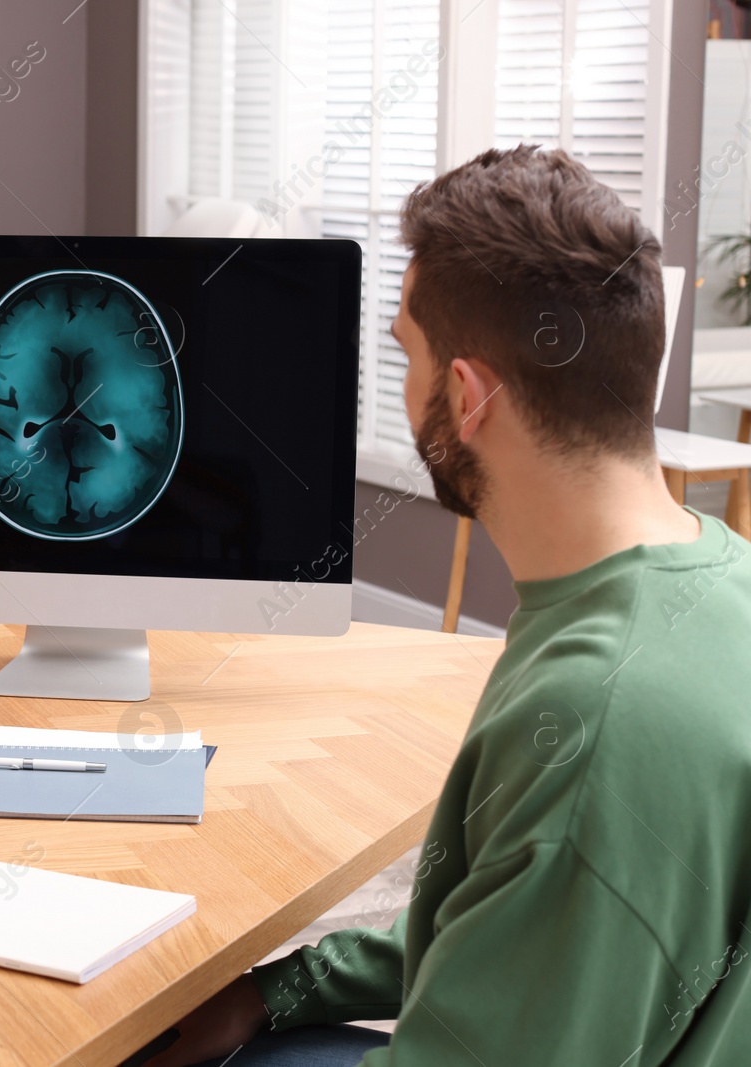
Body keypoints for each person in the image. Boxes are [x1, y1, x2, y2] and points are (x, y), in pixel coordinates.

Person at [137, 146, 751, 1066]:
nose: (403, 381)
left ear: (464, 395)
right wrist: (280, 988)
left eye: (406, 356)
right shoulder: (718, 575)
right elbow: (526, 919)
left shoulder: (594, 721)